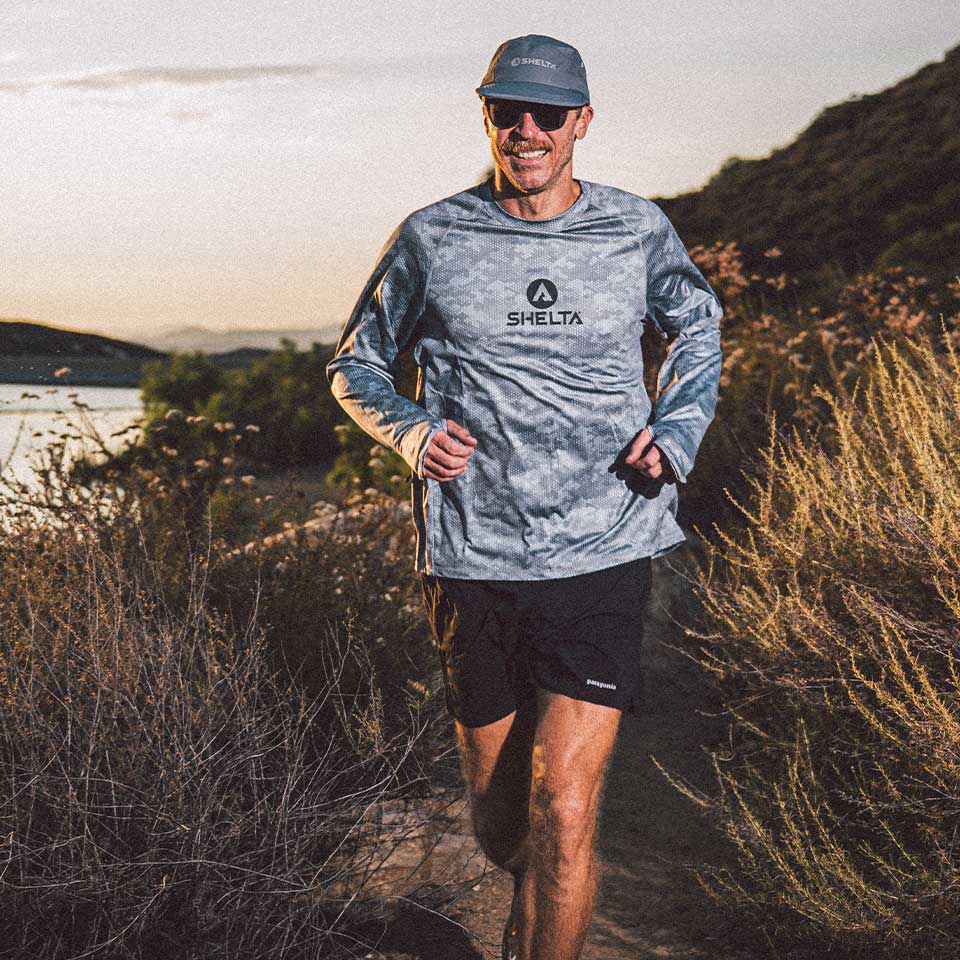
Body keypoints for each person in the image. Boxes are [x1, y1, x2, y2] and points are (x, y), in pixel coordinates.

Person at [326, 33, 723, 960]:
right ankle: (528, 900)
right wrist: (415, 432)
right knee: (504, 827)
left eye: (550, 114)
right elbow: (355, 366)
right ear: (488, 115)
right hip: (474, 555)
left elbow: (698, 322)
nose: (530, 130)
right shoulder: (432, 236)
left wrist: (677, 430)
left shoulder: (635, 228)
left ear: (583, 121)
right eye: (512, 111)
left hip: (605, 544)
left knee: (567, 807)